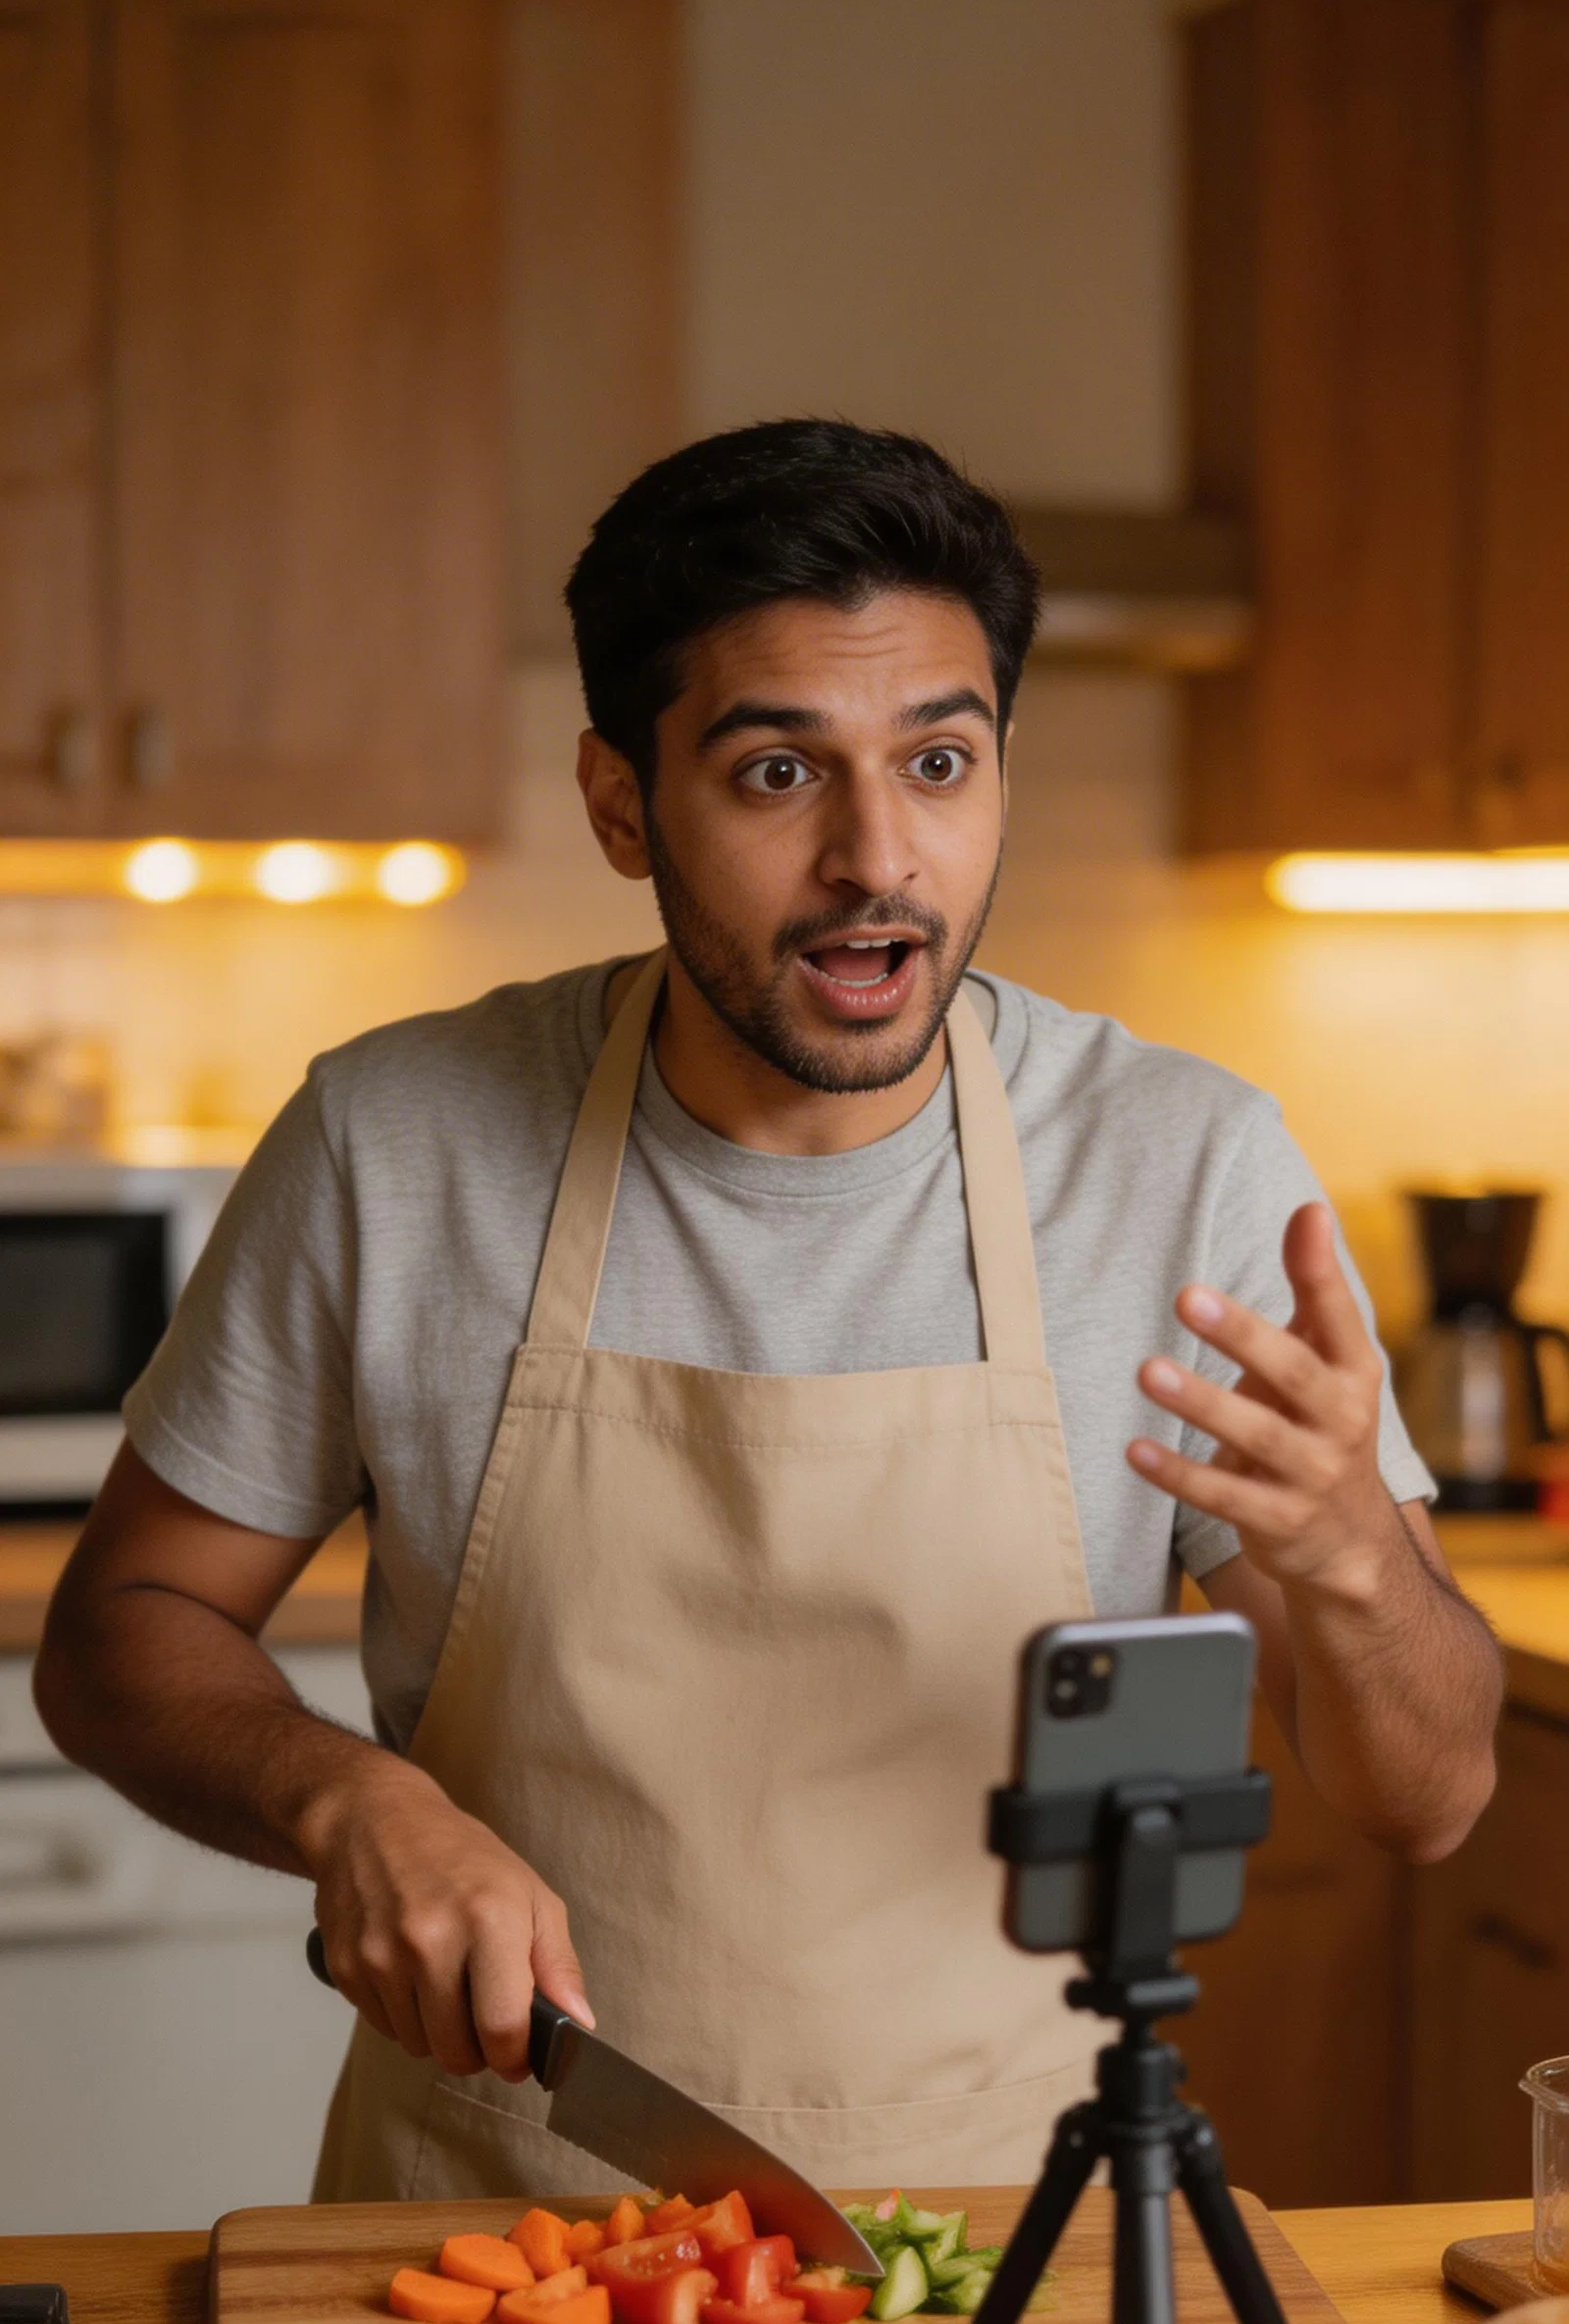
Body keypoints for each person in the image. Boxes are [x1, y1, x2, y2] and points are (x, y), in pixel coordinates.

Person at [35, 422, 1502, 2196]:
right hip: (495, 2228)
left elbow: (1429, 1799)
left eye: (940, 762)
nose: (877, 859)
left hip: (1006, 2231)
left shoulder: (1177, 1164)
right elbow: (121, 1628)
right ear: (616, 803)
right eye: (776, 775)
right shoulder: (396, 1141)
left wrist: (1352, 1555)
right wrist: (352, 1798)